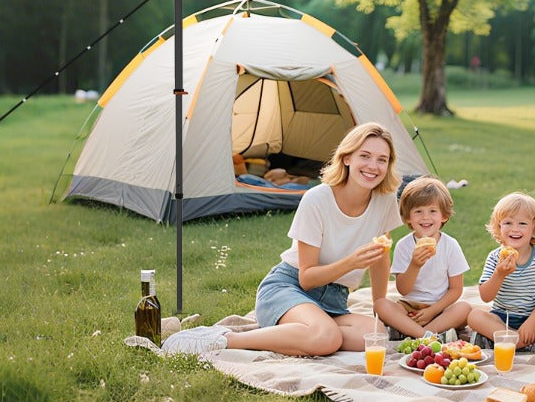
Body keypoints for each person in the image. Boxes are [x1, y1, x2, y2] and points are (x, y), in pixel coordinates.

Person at [162, 122, 401, 358]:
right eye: (365, 156)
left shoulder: (385, 200)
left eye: (382, 159)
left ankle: (306, 332)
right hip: (288, 288)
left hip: (334, 301)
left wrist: (381, 308)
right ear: (347, 158)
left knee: (375, 335)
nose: (373, 166)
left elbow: (380, 258)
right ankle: (223, 338)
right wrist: (351, 263)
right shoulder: (317, 199)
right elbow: (306, 279)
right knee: (327, 337)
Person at [375, 176, 472, 340]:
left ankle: (412, 332)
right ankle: (427, 335)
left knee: (464, 308)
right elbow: (403, 290)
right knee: (380, 305)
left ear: (444, 216)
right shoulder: (404, 245)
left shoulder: (450, 245)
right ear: (407, 217)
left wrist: (433, 310)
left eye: (432, 211)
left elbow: (456, 289)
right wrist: (415, 265)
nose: (425, 217)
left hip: (440, 308)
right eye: (418, 211)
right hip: (409, 307)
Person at [467, 192, 535, 349]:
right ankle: (523, 343)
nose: (515, 229)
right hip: (501, 318)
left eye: (522, 224)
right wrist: (499, 275)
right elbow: (485, 297)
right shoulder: (495, 257)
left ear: (534, 230)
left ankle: (506, 341)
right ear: (499, 227)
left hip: (531, 318)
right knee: (474, 316)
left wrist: (531, 323)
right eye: (508, 223)